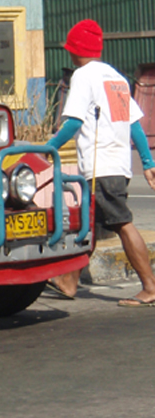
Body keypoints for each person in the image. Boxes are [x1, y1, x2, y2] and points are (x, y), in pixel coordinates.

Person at [46, 19, 155, 306]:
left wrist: (47, 147)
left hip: (101, 165)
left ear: (74, 50)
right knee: (91, 224)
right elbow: (134, 125)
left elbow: (72, 124)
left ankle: (150, 287)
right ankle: (69, 281)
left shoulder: (83, 76)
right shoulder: (115, 77)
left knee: (122, 223)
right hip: (118, 164)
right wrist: (146, 160)